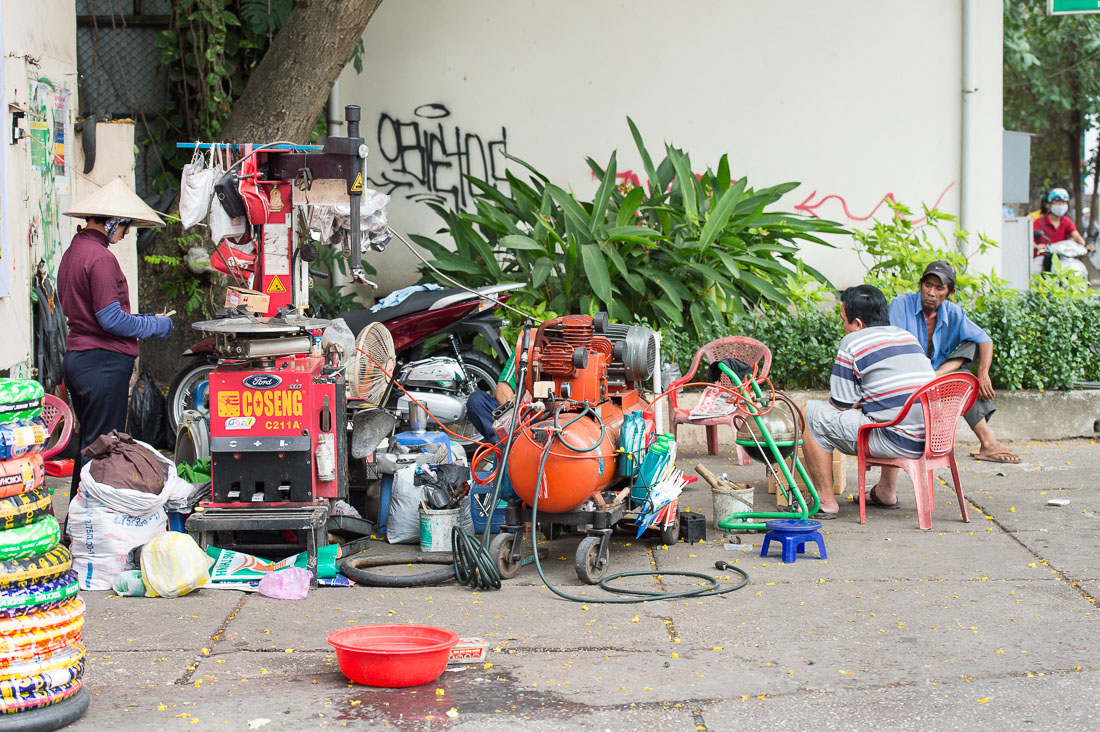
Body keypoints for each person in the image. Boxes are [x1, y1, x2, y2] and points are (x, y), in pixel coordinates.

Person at [57, 179, 173, 504]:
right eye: (125, 228)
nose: (125, 235)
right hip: (102, 364)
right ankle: (92, 519)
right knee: (103, 446)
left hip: (80, 359)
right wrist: (156, 325)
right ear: (113, 222)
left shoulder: (74, 252)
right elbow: (111, 319)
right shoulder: (101, 258)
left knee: (90, 443)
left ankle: (79, 521)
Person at [802, 285, 935, 518]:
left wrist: (858, 400)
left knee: (809, 413)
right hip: (931, 439)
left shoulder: (852, 342)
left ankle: (825, 502)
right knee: (885, 410)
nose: (843, 327)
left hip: (897, 439)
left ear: (858, 324)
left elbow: (841, 404)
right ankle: (886, 492)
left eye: (844, 320)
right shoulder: (907, 336)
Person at [887, 260, 1020, 472]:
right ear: (920, 285)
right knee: (962, 375)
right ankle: (988, 442)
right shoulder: (901, 304)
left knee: (972, 348)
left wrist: (983, 373)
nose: (931, 292)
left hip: (939, 378)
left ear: (949, 292)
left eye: (939, 288)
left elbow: (985, 340)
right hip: (908, 379)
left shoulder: (954, 313)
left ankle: (987, 444)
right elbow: (894, 348)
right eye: (927, 285)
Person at [1032, 187, 1093, 277]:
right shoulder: (1039, 222)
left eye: (1064, 202)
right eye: (1058, 202)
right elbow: (1030, 239)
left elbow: (1077, 236)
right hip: (1044, 256)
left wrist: (1084, 245)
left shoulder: (1066, 221)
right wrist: (1037, 246)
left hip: (1063, 257)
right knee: (1036, 270)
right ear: (1049, 204)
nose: (1061, 205)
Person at [466, 350, 516, 441]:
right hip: (523, 418)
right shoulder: (528, 345)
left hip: (546, 421)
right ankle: (503, 447)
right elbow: (502, 392)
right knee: (477, 401)